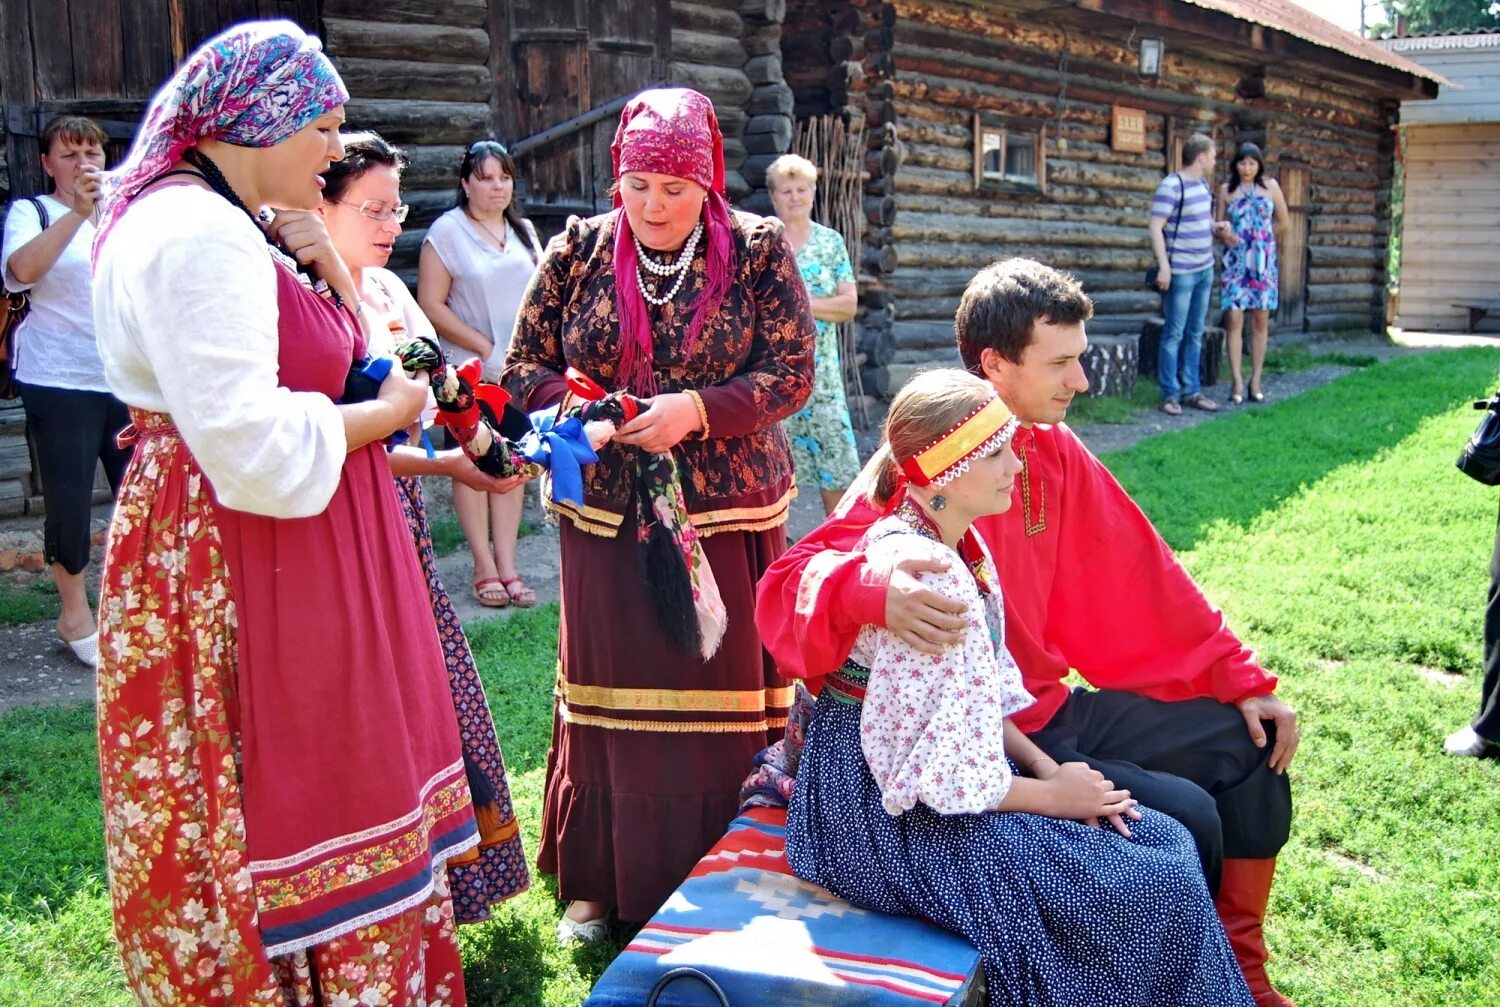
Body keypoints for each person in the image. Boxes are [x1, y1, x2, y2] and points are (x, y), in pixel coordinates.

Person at [757, 258, 1301, 1007]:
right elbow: (793, 584)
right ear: (994, 364)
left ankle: (1242, 974)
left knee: (1249, 748)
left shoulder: (1047, 449)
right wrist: (873, 591)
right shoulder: (916, 470)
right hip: (965, 744)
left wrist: (1241, 677)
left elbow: (1145, 577)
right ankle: (1171, 980)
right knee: (1187, 822)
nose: (1080, 380)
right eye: (1063, 361)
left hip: (1036, 714)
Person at [91, 22, 476, 1005]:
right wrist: (389, 414)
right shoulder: (193, 235)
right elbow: (251, 446)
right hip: (239, 552)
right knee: (264, 794)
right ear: (262, 118)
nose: (334, 152)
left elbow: (351, 355)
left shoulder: (230, 219)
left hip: (282, 538)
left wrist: (341, 282)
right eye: (325, 127)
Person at [501, 87, 814, 940]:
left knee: (722, 687)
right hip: (604, 511)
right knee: (610, 693)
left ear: (708, 182)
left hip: (724, 510)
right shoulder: (576, 252)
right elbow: (524, 363)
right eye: (638, 185)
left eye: (674, 188)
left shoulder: (755, 251)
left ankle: (731, 857)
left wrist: (699, 410)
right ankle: (601, 878)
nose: (654, 205)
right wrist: (586, 411)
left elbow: (791, 371)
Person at [318, 130, 531, 920]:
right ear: (319, 203)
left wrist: (498, 445)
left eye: (395, 206)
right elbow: (350, 444)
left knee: (433, 693)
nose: (389, 224)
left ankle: (447, 887)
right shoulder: (311, 307)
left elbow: (443, 394)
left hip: (398, 527)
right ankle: (377, 898)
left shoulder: (384, 296)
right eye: (372, 207)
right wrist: (448, 465)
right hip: (342, 532)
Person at [1, 115, 133, 666]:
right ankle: (75, 614)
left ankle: (132, 609)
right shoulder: (33, 212)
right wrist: (78, 212)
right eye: (71, 154)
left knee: (139, 498)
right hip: (59, 379)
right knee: (70, 498)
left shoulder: (126, 212)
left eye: (94, 154)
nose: (85, 164)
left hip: (126, 379)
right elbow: (19, 272)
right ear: (47, 163)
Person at [418, 139, 542, 609]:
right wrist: (482, 345)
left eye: (504, 177)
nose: (496, 187)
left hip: (515, 372)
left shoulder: (525, 232)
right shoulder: (446, 233)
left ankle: (508, 565)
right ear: (465, 183)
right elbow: (430, 302)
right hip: (467, 370)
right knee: (472, 462)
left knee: (511, 463)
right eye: (486, 177)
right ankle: (482, 565)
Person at [765, 153, 860, 515]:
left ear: (813, 193)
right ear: (774, 197)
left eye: (801, 189)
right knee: (774, 467)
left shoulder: (830, 242)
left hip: (823, 379)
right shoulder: (765, 243)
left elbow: (848, 306)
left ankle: (836, 546)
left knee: (836, 465)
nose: (794, 197)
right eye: (786, 190)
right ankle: (779, 549)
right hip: (774, 375)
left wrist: (798, 300)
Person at [1149, 132, 1231, 416]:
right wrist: (1164, 266)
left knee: (1195, 333)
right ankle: (1169, 394)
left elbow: (1203, 221)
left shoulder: (1204, 186)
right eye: (1212, 156)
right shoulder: (1171, 186)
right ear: (1201, 157)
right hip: (1181, 271)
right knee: (1174, 332)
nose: (1214, 160)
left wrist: (1216, 226)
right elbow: (1156, 227)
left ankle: (1192, 391)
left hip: (1204, 269)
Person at [1217, 142, 1289, 405]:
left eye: (1252, 163)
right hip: (1236, 263)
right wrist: (1225, 234)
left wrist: (1264, 238)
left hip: (1263, 265)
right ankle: (1236, 380)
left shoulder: (1270, 187)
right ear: (1235, 165)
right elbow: (1219, 224)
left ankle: (1256, 380)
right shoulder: (1227, 190)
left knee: (1260, 321)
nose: (1247, 168)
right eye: (1242, 163)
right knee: (1234, 320)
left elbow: (1284, 220)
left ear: (1259, 165)